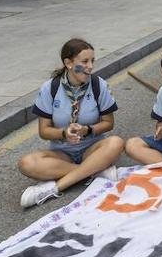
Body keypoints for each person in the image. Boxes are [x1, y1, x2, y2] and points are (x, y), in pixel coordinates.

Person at [18, 39, 123, 208]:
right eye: (84, 61)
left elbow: (108, 123)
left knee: (116, 142)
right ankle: (94, 171)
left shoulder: (98, 85)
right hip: (62, 153)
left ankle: (55, 187)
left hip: (92, 149)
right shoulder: (49, 88)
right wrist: (64, 133)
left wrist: (87, 130)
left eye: (92, 61)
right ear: (68, 63)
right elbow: (43, 131)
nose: (90, 66)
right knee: (26, 163)